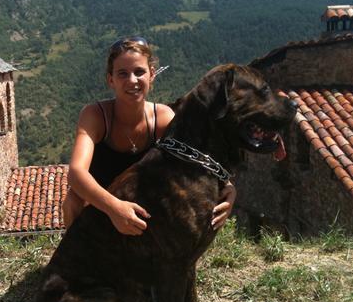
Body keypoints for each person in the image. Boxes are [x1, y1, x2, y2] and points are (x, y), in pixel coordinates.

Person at [62, 36, 236, 235]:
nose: (132, 80)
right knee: (73, 201)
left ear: (152, 74)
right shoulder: (95, 116)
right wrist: (114, 208)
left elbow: (198, 160)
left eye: (139, 72)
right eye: (122, 74)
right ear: (111, 80)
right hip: (102, 203)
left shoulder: (163, 119)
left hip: (142, 204)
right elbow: (76, 173)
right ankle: (78, 260)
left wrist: (228, 186)